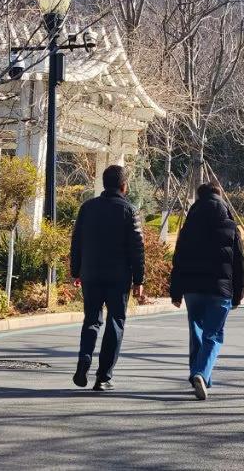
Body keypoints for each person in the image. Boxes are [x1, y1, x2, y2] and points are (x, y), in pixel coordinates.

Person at [70, 164, 145, 391]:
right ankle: (103, 377)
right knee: (115, 322)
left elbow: (77, 242)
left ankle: (84, 360)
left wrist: (76, 271)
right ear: (124, 186)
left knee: (91, 320)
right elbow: (137, 249)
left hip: (90, 274)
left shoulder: (87, 208)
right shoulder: (129, 211)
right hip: (118, 277)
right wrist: (139, 280)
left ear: (104, 183)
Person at [170, 183, 244, 400]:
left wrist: (175, 292)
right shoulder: (230, 226)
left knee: (196, 332)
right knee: (213, 334)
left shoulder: (188, 226)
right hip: (220, 290)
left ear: (198, 198)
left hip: (192, 289)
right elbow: (239, 262)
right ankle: (201, 374)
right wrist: (238, 294)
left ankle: (201, 375)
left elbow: (178, 260)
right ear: (220, 198)